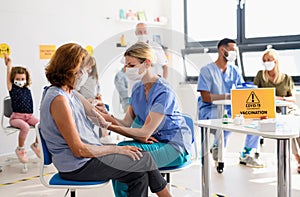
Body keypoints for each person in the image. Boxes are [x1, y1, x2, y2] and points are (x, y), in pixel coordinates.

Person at [39, 43, 171, 197]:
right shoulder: (59, 99)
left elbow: (94, 114)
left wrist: (100, 114)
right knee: (144, 159)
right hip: (77, 166)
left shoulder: (70, 93)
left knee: (138, 173)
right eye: (86, 71)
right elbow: (79, 149)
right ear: (73, 69)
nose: (87, 75)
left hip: (86, 159)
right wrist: (116, 148)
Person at [101, 42, 192, 196]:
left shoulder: (163, 92)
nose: (126, 69)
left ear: (147, 63)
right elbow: (126, 123)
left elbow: (144, 134)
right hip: (154, 143)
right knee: (122, 150)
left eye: (131, 65)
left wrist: (106, 125)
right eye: (126, 65)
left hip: (174, 146)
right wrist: (103, 115)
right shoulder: (137, 89)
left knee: (123, 156)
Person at [197, 38, 263, 168]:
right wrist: (227, 96)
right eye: (232, 50)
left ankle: (247, 153)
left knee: (255, 118)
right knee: (226, 118)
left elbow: (241, 91)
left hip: (231, 108)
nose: (235, 53)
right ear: (222, 50)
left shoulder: (235, 70)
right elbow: (205, 97)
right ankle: (217, 146)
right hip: (210, 109)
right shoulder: (206, 70)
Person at [253, 48, 300, 173]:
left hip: (287, 108)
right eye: (264, 60)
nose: (266, 62)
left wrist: (279, 98)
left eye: (269, 60)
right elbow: (254, 93)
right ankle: (298, 158)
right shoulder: (260, 75)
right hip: (270, 109)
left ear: (275, 61)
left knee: (295, 124)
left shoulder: (286, 78)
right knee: (286, 125)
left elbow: (292, 98)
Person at [3, 54, 40, 163]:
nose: (20, 80)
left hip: (29, 117)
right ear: (13, 79)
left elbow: (27, 79)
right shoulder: (12, 89)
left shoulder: (27, 88)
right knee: (25, 127)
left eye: (22, 79)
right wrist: (9, 65)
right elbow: (9, 78)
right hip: (16, 118)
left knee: (41, 125)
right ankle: (20, 149)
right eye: (17, 79)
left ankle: (36, 145)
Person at [76, 56, 114, 144]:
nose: (89, 69)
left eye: (90, 67)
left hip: (94, 100)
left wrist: (98, 99)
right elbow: (77, 92)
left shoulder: (94, 78)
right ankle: (104, 134)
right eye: (87, 67)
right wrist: (88, 101)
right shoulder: (81, 78)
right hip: (85, 101)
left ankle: (105, 134)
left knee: (105, 108)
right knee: (95, 111)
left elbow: (98, 91)